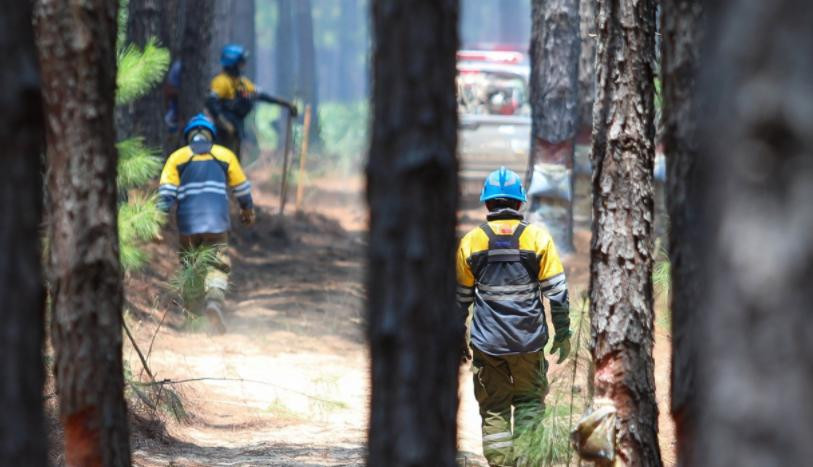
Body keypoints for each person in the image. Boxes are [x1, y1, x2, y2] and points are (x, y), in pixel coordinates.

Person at [456, 167, 572, 466]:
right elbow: (557, 293)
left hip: (488, 344)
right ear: (520, 203)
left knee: (494, 409)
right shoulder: (538, 239)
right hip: (529, 343)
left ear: (487, 204)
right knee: (529, 404)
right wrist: (563, 333)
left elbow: (461, 300)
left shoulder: (471, 242)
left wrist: (457, 338)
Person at [158, 114, 256, 334]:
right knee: (217, 262)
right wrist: (247, 211)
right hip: (216, 221)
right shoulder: (225, 155)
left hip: (188, 223)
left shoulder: (177, 157)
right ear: (210, 134)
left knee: (191, 265)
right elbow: (241, 188)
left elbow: (166, 193)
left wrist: (158, 220)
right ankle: (213, 299)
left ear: (188, 136)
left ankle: (193, 320)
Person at [206, 43, 297, 159]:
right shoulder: (220, 82)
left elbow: (262, 95)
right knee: (222, 159)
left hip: (235, 129)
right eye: (240, 63)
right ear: (233, 64)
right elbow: (212, 104)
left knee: (233, 160)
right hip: (221, 132)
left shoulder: (241, 82)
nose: (243, 66)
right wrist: (225, 124)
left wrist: (286, 104)